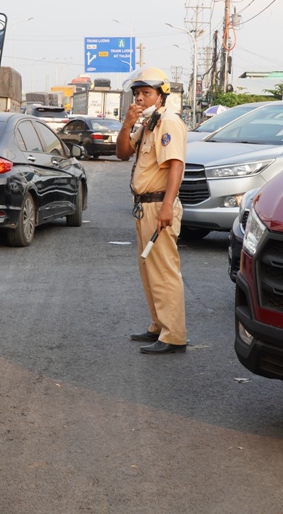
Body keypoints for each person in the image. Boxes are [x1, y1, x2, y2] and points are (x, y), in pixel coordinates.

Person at [116, 67, 188, 354]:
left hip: (159, 205)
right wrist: (126, 124)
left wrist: (168, 206)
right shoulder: (147, 123)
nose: (141, 98)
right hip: (143, 207)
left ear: (161, 96)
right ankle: (159, 325)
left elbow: (176, 166)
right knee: (149, 271)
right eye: (137, 94)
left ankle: (173, 336)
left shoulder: (168, 123)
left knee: (164, 271)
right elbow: (122, 153)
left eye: (147, 93)